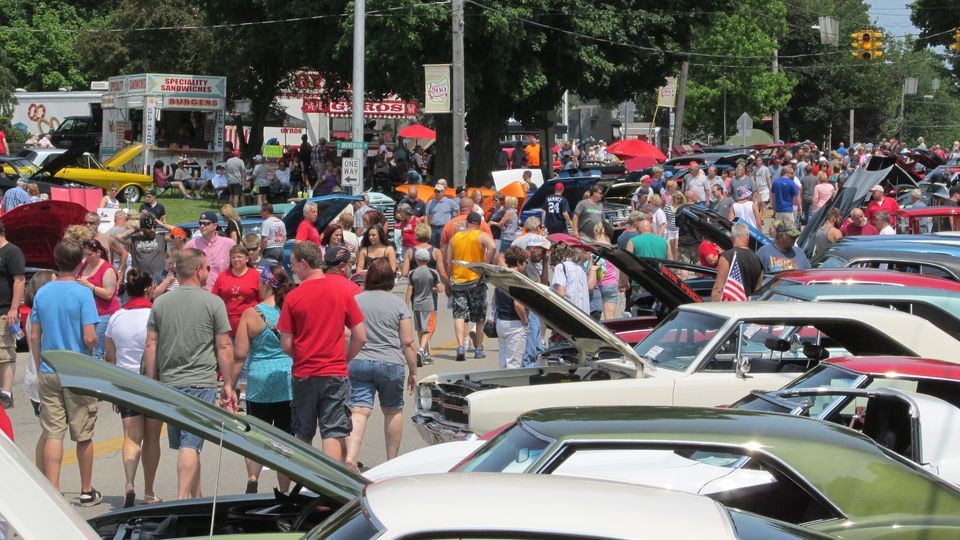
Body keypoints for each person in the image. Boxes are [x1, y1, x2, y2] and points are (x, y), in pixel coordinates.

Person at [143, 248, 236, 499]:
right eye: (207, 267)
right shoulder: (213, 302)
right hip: (200, 384)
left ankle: (197, 498)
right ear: (197, 270)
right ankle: (183, 501)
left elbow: (151, 344)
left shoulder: (160, 302)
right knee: (190, 444)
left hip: (170, 383)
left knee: (190, 445)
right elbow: (224, 346)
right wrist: (228, 383)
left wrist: (152, 381)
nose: (209, 272)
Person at [278, 242, 367, 461]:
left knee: (303, 433)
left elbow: (286, 343)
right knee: (333, 432)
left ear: (304, 263)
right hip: (334, 371)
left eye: (294, 265)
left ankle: (303, 481)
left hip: (304, 372)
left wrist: (301, 355)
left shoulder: (294, 297)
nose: (293, 271)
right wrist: (345, 358)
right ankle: (331, 487)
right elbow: (360, 336)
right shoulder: (341, 291)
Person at [30, 240, 101, 505]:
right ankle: (85, 489)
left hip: (49, 367)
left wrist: (38, 365)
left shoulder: (43, 292)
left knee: (53, 432)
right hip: (77, 370)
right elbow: (90, 336)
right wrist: (91, 349)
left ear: (56, 261)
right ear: (79, 262)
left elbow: (35, 334)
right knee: (83, 434)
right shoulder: (83, 293)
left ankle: (54, 488)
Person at [344, 258, 417, 472]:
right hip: (390, 362)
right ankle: (391, 462)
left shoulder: (355, 299)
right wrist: (413, 371)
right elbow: (407, 341)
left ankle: (351, 457)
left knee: (358, 410)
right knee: (392, 410)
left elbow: (348, 333)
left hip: (358, 361)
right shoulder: (398, 304)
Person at [234, 264, 295, 494]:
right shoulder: (288, 309)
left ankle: (252, 477)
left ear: (267, 284)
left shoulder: (252, 313)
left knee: (256, 435)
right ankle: (284, 489)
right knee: (285, 439)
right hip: (286, 379)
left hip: (259, 381)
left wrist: (231, 385)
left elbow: (240, 354)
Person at [104, 269, 162, 507]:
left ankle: (129, 482)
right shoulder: (154, 314)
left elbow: (110, 355)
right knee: (152, 439)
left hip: (126, 382)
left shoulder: (116, 317)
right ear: (149, 289)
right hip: (153, 382)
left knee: (131, 437)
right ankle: (149, 492)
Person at [445, 212, 497, 362]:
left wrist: (450, 279)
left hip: (459, 281)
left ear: (467, 222)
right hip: (476, 281)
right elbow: (492, 247)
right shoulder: (481, 235)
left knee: (459, 315)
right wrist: (484, 265)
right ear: (479, 224)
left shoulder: (455, 238)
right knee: (480, 316)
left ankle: (461, 346)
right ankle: (479, 348)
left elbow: (449, 261)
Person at [77, 239, 120, 360]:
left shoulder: (107, 269)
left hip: (104, 314)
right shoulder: (84, 265)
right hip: (87, 313)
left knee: (97, 351)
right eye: (84, 254)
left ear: (98, 253)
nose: (86, 257)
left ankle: (97, 378)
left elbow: (109, 294)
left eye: (89, 254)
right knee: (86, 348)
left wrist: (90, 286)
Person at [211, 245, 261, 339]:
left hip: (250, 324)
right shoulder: (223, 276)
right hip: (227, 324)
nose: (236, 259)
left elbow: (263, 300)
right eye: (233, 257)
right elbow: (214, 299)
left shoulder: (256, 275)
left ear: (247, 258)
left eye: (239, 257)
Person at [0, 223, 24, 409]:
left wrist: (13, 309)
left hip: (5, 310)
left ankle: (6, 392)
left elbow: (19, 280)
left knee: (5, 352)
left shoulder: (12, 252)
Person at [494, 247, 529, 368]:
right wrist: (525, 320)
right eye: (525, 262)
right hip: (515, 324)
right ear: (519, 263)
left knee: (503, 362)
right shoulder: (517, 278)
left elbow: (494, 299)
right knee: (514, 363)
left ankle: (501, 385)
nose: (526, 265)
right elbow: (518, 304)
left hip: (501, 321)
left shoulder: (500, 275)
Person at [406, 248, 441, 366]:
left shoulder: (412, 273)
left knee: (420, 329)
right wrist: (431, 289)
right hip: (428, 304)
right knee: (428, 329)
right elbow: (440, 289)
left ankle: (424, 354)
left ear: (416, 259)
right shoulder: (433, 273)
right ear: (428, 259)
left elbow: (410, 289)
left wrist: (406, 304)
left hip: (416, 304)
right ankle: (421, 350)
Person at [185, 211, 236, 292]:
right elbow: (183, 269)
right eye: (200, 223)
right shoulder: (191, 245)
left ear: (215, 225)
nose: (202, 226)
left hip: (224, 293)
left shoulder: (229, 244)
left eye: (206, 223)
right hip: (200, 293)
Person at [711, 224, 764, 301]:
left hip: (731, 308)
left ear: (731, 238)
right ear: (747, 238)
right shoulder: (757, 259)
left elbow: (718, 289)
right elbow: (758, 289)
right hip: (749, 307)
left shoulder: (727, 256)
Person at [550, 242, 595, 314]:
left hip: (569, 314)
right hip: (584, 316)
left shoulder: (561, 267)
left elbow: (560, 294)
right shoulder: (581, 268)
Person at [122, 214, 166, 279]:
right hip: (139, 279)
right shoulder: (135, 240)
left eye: (154, 227)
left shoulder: (161, 237)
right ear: (143, 228)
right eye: (149, 228)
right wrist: (136, 229)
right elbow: (120, 237)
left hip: (158, 278)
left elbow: (179, 233)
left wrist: (162, 224)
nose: (152, 230)